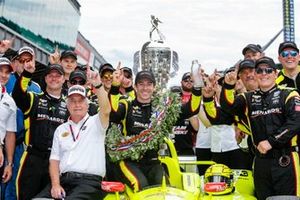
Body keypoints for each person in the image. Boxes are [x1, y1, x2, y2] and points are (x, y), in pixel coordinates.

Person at [220, 56, 300, 199]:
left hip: (286, 159)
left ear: (276, 74)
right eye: (260, 70)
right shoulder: (247, 98)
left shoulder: (289, 94)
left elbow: (296, 122)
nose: (264, 73)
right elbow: (228, 106)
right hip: (261, 162)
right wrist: (228, 85)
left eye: (268, 70)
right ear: (256, 75)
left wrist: (271, 142)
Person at [109, 70, 202, 192]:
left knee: (163, 190)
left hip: (153, 162)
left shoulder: (162, 109)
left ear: (154, 87)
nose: (145, 88)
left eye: (149, 84)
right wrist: (115, 86)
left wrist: (197, 85)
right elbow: (113, 113)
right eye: (141, 84)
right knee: (140, 185)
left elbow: (192, 109)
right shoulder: (127, 106)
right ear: (135, 87)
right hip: (129, 162)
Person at [34, 72, 110, 199]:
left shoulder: (96, 123)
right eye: (73, 101)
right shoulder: (61, 129)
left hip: (89, 183)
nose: (77, 104)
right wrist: (55, 185)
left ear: (87, 104)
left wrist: (98, 85)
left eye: (81, 100)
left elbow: (106, 110)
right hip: (64, 181)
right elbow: (54, 160)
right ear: (67, 105)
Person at [12, 63, 68, 200]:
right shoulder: (34, 98)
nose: (54, 78)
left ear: (64, 79)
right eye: (50, 75)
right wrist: (27, 74)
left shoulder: (69, 106)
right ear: (45, 78)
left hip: (56, 163)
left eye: (58, 75)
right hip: (32, 159)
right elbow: (17, 95)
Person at [4, 46, 42, 200]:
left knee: (14, 186)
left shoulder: (36, 87)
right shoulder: (6, 78)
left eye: (29, 60)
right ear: (15, 62)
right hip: (3, 140)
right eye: (22, 60)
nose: (25, 63)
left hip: (21, 145)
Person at [172, 72, 199, 155]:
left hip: (190, 145)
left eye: (191, 81)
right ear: (181, 82)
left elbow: (196, 128)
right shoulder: (164, 112)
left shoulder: (197, 98)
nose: (189, 82)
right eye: (186, 80)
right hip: (171, 148)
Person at [0, 57, 16, 187]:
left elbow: (10, 135)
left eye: (7, 72)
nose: (3, 75)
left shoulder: (11, 102)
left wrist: (9, 164)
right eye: (1, 70)